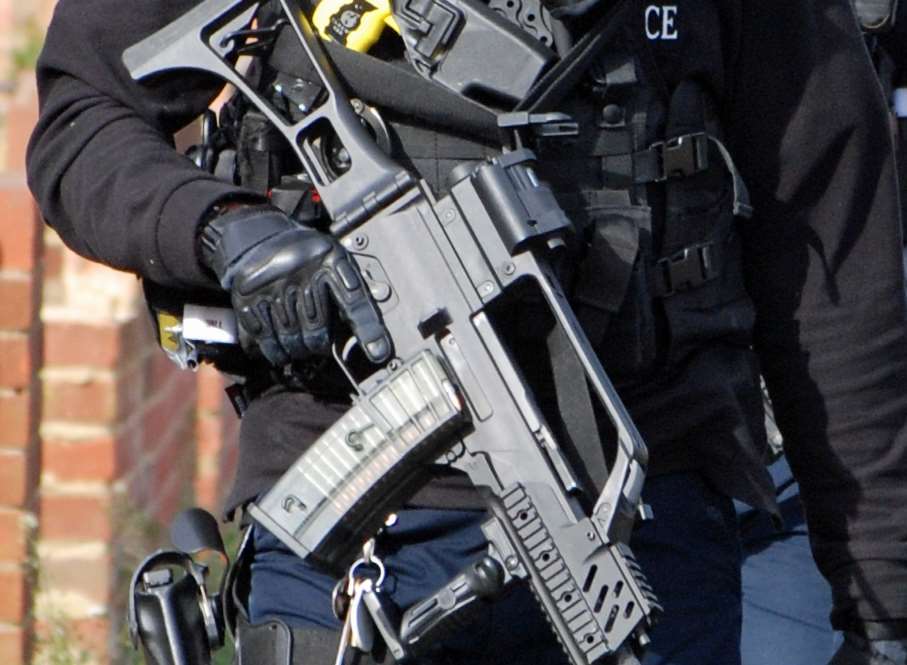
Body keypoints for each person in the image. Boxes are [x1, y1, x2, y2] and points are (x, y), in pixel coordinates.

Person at [26, 1, 907, 664]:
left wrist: (880, 609)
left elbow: (833, 262)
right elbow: (83, 126)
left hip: (646, 533)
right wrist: (224, 229)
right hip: (348, 540)